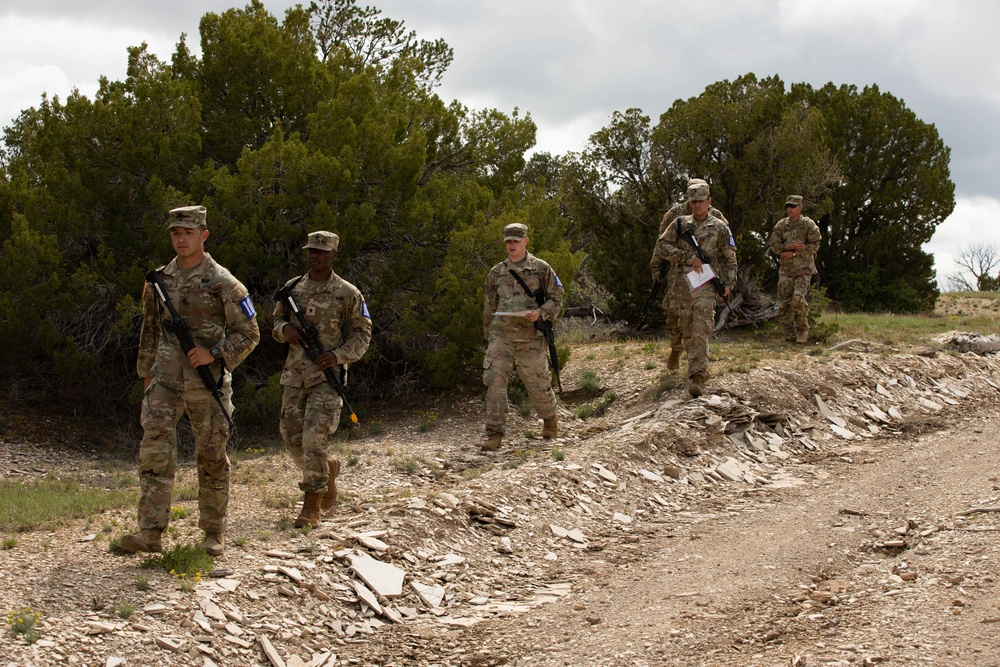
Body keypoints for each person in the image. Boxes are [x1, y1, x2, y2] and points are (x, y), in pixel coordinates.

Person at [121, 206, 260, 557]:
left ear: (203, 235)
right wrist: (147, 378)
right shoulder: (158, 280)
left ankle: (214, 532)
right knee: (154, 452)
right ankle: (149, 532)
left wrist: (215, 353)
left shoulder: (223, 282)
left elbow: (250, 332)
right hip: (165, 379)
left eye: (188, 232)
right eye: (175, 233)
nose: (181, 239)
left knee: (211, 455)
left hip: (206, 381)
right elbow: (149, 332)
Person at [272, 231, 372, 528]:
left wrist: (339, 355)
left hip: (327, 378)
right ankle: (326, 470)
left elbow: (362, 333)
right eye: (311, 251)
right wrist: (285, 330)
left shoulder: (348, 293)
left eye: (321, 251)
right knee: (292, 440)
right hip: (294, 375)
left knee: (314, 439)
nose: (315, 255)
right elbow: (276, 321)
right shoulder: (292, 289)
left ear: (333, 255)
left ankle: (311, 507)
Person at [482, 223, 564, 451]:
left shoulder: (541, 269)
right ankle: (494, 433)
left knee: (538, 384)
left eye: (516, 241)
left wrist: (541, 313)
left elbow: (556, 298)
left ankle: (549, 416)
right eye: (508, 241)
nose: (511, 245)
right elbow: (489, 305)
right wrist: (488, 335)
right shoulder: (496, 272)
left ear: (525, 241)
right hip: (502, 337)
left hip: (530, 338)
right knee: (494, 381)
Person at [653, 182, 737, 397]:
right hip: (681, 283)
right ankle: (685, 357)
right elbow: (662, 246)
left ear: (709, 202)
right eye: (693, 202)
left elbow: (729, 257)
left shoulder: (719, 226)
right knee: (687, 328)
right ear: (689, 202)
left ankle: (697, 375)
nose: (697, 205)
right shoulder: (679, 224)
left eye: (701, 201)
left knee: (701, 325)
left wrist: (728, 284)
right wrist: (687, 257)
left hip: (706, 283)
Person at [768, 195, 822, 344]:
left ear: (800, 207)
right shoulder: (781, 225)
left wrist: (796, 253)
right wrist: (790, 247)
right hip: (786, 271)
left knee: (798, 300)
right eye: (788, 206)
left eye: (793, 206)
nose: (790, 209)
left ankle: (802, 330)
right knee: (784, 304)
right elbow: (775, 246)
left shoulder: (808, 224)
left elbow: (815, 244)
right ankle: (789, 333)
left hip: (803, 270)